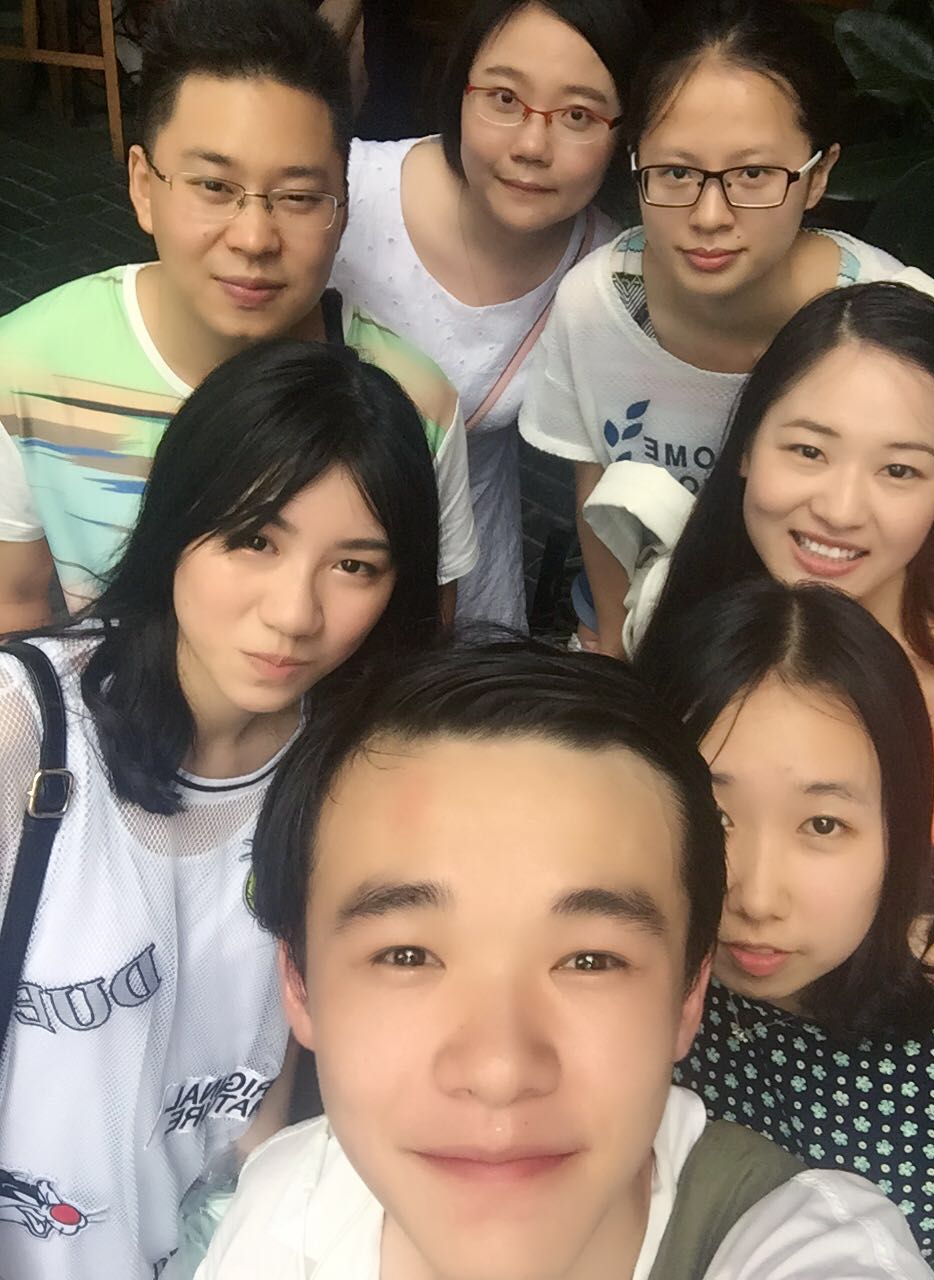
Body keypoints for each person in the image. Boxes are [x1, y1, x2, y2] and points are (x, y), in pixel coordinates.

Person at [190, 642, 932, 1279]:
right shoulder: (282, 1203)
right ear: (299, 984)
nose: (500, 1071)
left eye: (590, 960)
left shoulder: (803, 1246)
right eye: (407, 955)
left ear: (689, 992)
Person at [0, 340, 441, 1280]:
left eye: (354, 565)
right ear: (177, 522)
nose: (294, 613)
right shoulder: (23, 733)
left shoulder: (354, 769)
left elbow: (265, 1082)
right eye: (254, 540)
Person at [0, 0, 476, 635]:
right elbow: (14, 604)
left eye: (299, 196)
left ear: (344, 205)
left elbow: (421, 637)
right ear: (143, 185)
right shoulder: (27, 368)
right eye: (214, 187)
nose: (254, 239)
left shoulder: (414, 402)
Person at [518, 0, 934, 658]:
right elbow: (601, 502)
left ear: (819, 176)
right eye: (676, 172)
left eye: (753, 174)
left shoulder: (906, 328)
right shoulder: (596, 306)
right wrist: (616, 654)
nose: (709, 216)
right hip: (647, 622)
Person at [636, 579, 934, 1277]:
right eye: (714, 817)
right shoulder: (609, 970)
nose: (756, 898)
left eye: (823, 824)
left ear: (899, 830)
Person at [329, 0, 647, 629]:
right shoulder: (343, 193)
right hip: (313, 564)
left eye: (578, 115)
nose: (532, 146)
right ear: (459, 90)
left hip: (473, 577)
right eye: (504, 99)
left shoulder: (611, 273)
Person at [641, 281, 934, 872]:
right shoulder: (675, 626)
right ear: (746, 447)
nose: (840, 511)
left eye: (898, 470)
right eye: (809, 451)